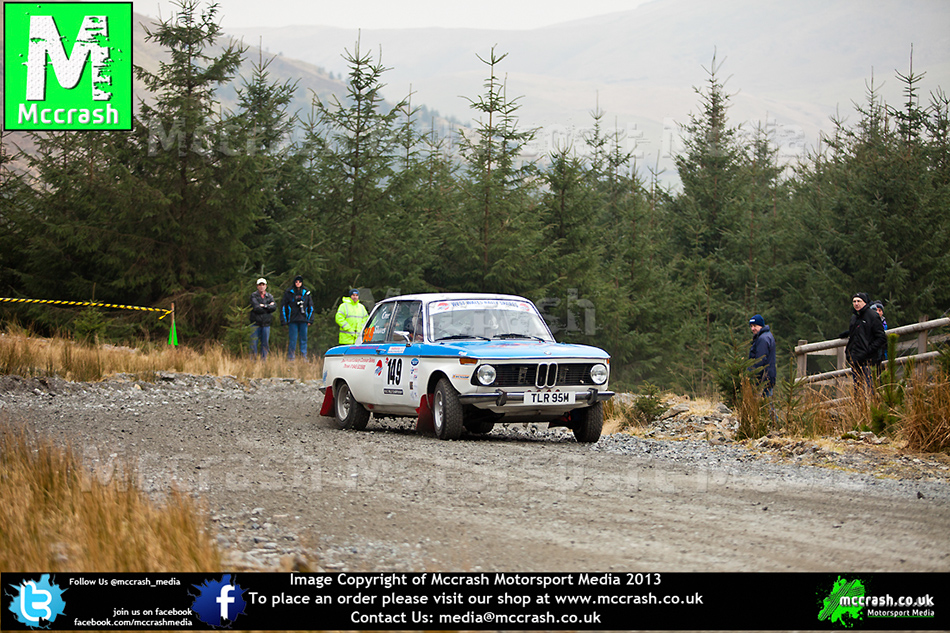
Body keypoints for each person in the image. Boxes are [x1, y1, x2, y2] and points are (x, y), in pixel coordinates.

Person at [844, 292, 887, 390]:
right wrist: (849, 352)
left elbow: (881, 337)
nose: (856, 304)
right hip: (855, 359)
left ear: (865, 302)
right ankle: (859, 405)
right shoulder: (854, 317)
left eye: (859, 301)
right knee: (858, 390)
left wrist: (869, 350)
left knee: (870, 389)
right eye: (854, 301)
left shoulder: (872, 316)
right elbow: (855, 335)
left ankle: (871, 405)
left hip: (868, 360)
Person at [280, 275, 314, 360]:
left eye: (299, 282)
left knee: (304, 339)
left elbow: (311, 307)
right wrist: (284, 320)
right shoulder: (289, 292)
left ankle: (303, 357)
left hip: (303, 319)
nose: (298, 283)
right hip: (293, 320)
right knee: (293, 340)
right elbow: (284, 306)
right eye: (296, 282)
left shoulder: (306, 292)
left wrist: (310, 319)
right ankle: (291, 357)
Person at [747, 314, 777, 397]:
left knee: (765, 404)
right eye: (751, 326)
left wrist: (751, 373)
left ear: (761, 325)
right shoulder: (767, 336)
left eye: (755, 326)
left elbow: (760, 360)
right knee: (768, 402)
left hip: (763, 377)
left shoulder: (763, 339)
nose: (753, 328)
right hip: (769, 376)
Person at [249, 278, 277, 359]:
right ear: (257, 286)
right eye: (260, 285)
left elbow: (274, 307)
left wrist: (264, 306)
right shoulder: (253, 296)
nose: (261, 287)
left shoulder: (269, 296)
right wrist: (268, 306)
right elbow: (256, 308)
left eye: (263, 285)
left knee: (265, 344)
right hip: (255, 323)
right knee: (253, 343)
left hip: (266, 324)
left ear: (266, 286)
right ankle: (252, 361)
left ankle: (263, 361)